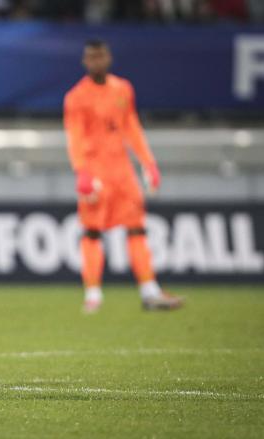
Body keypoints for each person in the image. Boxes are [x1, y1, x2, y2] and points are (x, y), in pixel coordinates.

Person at [63, 39, 183, 313]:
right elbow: (75, 137)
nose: (96, 62)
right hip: (95, 173)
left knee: (137, 228)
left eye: (100, 56)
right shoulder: (76, 97)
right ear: (85, 62)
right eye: (91, 57)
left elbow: (132, 127)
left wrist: (148, 163)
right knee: (92, 232)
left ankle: (149, 291)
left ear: (108, 58)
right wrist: (81, 171)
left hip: (122, 171)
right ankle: (93, 294)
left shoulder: (123, 89)